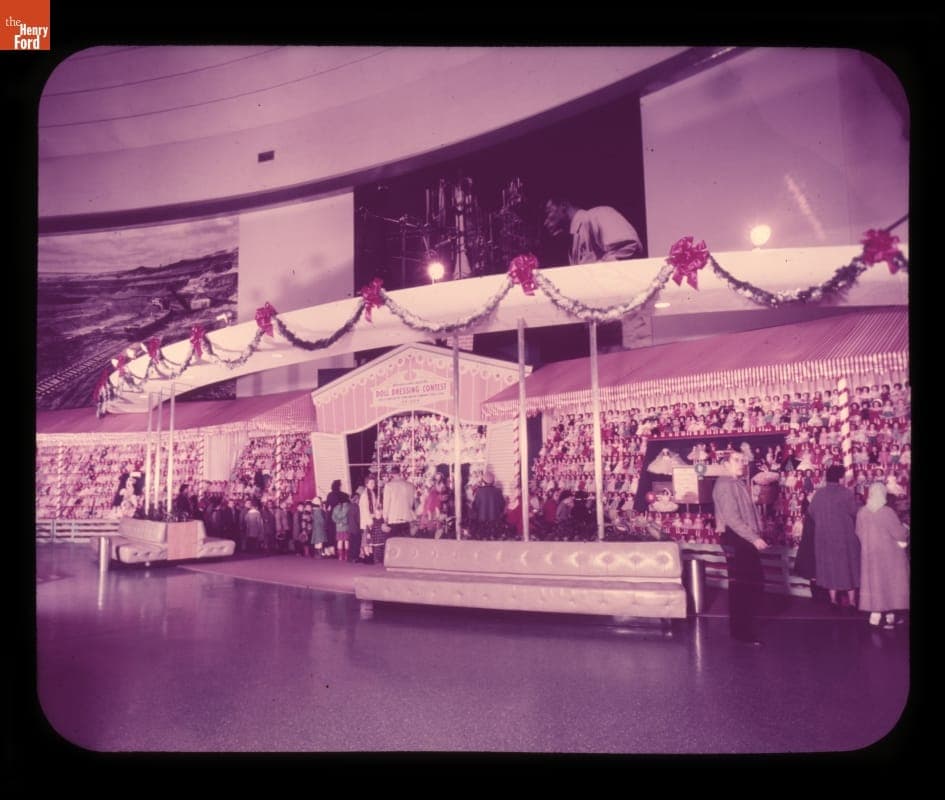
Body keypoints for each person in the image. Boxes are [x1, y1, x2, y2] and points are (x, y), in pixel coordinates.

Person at [712, 450, 768, 646]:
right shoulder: (726, 484)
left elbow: (747, 513)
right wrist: (754, 538)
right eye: (737, 460)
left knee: (747, 585)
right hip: (738, 538)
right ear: (726, 463)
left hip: (743, 538)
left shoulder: (737, 482)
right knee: (744, 586)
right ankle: (742, 632)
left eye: (744, 460)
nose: (742, 463)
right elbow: (732, 519)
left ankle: (743, 629)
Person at [807, 465, 860, 610]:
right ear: (840, 478)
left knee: (830, 569)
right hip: (844, 538)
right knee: (849, 568)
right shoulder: (846, 493)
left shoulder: (819, 493)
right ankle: (852, 602)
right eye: (843, 476)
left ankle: (833, 600)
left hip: (824, 538)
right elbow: (855, 512)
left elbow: (811, 512)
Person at [856, 483, 909, 629]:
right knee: (889, 584)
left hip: (869, 554)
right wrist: (906, 529)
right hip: (889, 555)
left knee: (874, 583)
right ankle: (889, 617)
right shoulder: (887, 512)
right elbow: (899, 533)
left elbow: (858, 533)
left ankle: (875, 617)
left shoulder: (862, 512)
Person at [543, 195, 642, 265]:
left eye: (548, 213)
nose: (545, 222)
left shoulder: (598, 214)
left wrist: (593, 271)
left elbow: (630, 245)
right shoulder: (572, 246)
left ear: (563, 206)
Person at [381, 465, 415, 566]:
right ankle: (405, 561)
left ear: (392, 474)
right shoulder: (410, 485)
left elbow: (386, 503)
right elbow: (411, 502)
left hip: (394, 518)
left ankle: (393, 562)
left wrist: (385, 518)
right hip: (406, 517)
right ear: (400, 473)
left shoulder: (389, 486)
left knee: (392, 542)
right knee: (405, 541)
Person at [471, 472, 506, 538]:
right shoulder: (498, 491)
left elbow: (475, 506)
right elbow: (502, 505)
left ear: (483, 481)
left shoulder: (479, 491)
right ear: (493, 481)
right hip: (495, 522)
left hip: (482, 522)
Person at [359, 476, 382, 564]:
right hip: (367, 521)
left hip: (372, 519)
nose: (373, 485)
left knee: (370, 540)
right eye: (371, 483)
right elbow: (365, 510)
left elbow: (375, 507)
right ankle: (367, 557)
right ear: (366, 484)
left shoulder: (372, 493)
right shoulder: (364, 495)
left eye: (374, 483)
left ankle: (370, 557)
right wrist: (370, 521)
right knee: (366, 540)